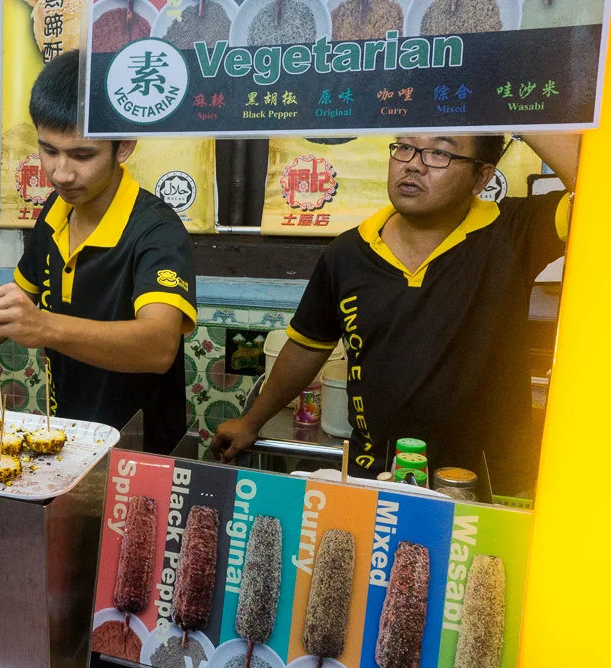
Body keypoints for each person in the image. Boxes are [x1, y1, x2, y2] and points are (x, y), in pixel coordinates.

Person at [212, 134, 579, 496]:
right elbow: (309, 345)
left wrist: (525, 108)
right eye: (404, 147)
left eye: (439, 152)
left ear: (481, 177)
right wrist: (252, 421)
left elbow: (596, 186)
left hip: (487, 483)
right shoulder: (348, 252)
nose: (413, 163)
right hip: (375, 475)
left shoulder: (513, 230)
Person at [0, 50, 197, 454]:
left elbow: (158, 346)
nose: (62, 173)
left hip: (141, 452)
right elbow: (17, 307)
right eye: (49, 150)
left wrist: (45, 327)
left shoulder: (156, 230)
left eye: (82, 155)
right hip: (71, 438)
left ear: (124, 146)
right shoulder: (55, 211)